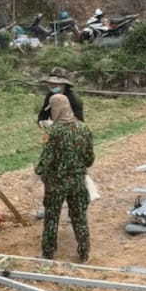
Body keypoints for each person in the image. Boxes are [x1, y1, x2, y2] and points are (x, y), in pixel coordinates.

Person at [35, 93, 95, 261]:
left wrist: (38, 171)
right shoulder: (84, 128)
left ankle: (48, 253)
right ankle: (84, 252)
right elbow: (90, 159)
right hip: (77, 181)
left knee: (52, 217)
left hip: (56, 183)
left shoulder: (53, 131)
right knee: (79, 217)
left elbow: (44, 162)